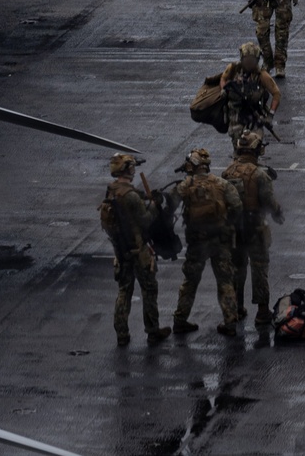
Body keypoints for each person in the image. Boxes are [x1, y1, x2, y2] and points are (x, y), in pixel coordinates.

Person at [98, 153, 171, 347]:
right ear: (127, 169)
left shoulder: (112, 191)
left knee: (124, 291)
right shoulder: (130, 195)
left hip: (121, 249)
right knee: (149, 289)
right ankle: (153, 331)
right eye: (131, 167)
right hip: (138, 250)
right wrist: (155, 205)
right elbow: (146, 219)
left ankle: (122, 333)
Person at [171, 148, 242, 337]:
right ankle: (230, 322)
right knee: (225, 281)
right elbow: (236, 206)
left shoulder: (186, 185)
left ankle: (180, 320)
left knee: (190, 282)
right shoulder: (222, 184)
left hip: (196, 243)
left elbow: (170, 204)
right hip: (220, 241)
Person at [222, 131, 283, 326]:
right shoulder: (259, 175)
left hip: (234, 229)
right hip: (255, 228)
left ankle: (236, 309)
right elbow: (268, 201)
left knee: (237, 268)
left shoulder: (227, 172)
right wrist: (277, 213)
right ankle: (262, 311)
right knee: (259, 268)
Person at [220, 43, 281, 150]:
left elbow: (276, 93)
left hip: (254, 117)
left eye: (252, 60)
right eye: (247, 60)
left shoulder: (262, 75)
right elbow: (223, 78)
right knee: (238, 146)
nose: (249, 63)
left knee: (253, 146)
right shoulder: (233, 69)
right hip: (236, 116)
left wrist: (270, 115)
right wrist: (223, 89)